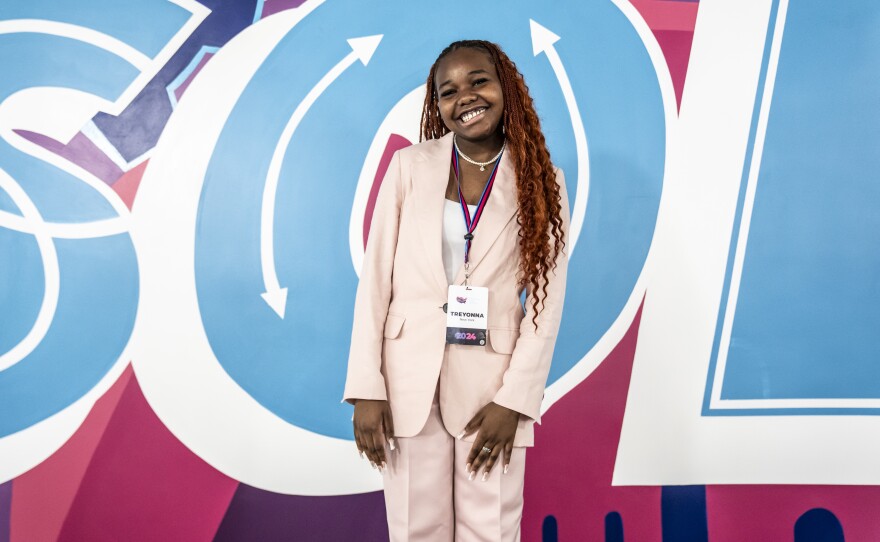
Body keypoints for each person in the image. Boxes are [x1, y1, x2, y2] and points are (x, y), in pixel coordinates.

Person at [343, 39, 570, 542]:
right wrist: (365, 387)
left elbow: (546, 305)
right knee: (414, 527)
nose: (465, 97)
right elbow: (376, 280)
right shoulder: (409, 167)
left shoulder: (541, 182)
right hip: (406, 381)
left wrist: (515, 400)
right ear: (438, 105)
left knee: (491, 529)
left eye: (479, 81)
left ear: (506, 87)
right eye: (449, 91)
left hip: (492, 388)